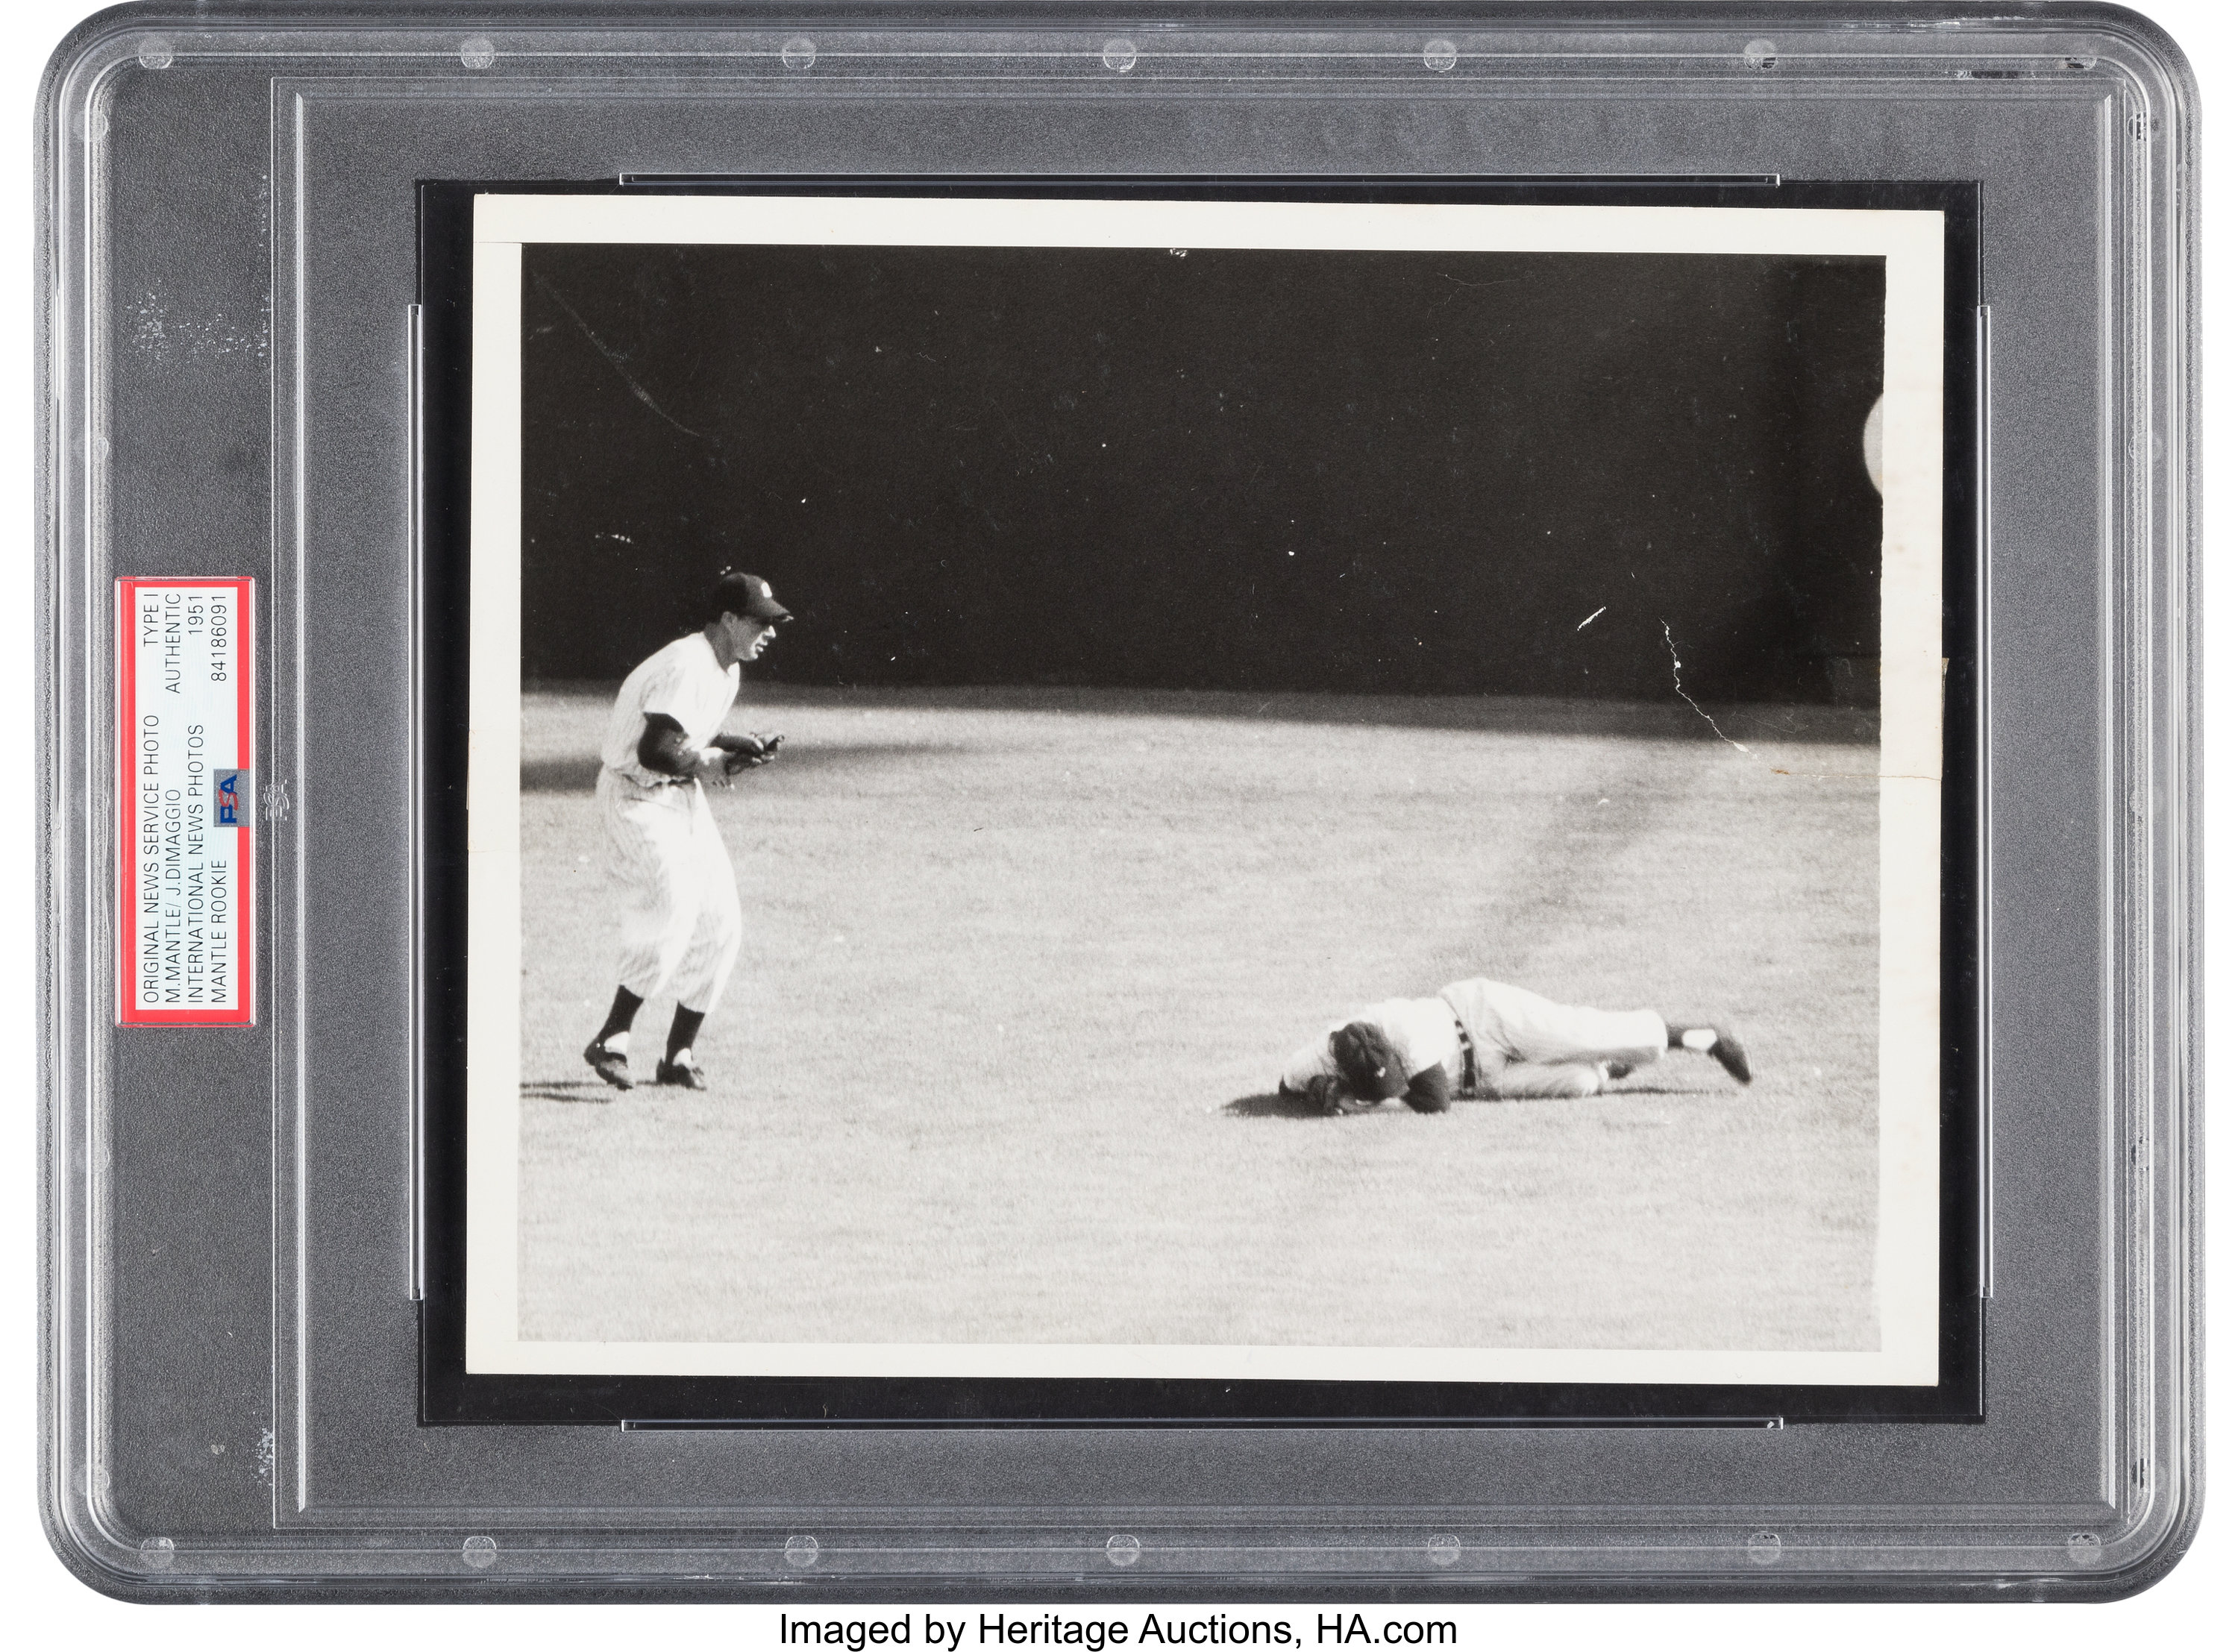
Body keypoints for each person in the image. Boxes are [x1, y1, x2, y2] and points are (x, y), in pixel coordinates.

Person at [580, 571, 791, 1091]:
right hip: (635, 797)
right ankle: (613, 1037)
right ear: (728, 620)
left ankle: (678, 1054)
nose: (770, 631)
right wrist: (711, 760)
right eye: (760, 621)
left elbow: (689, 732)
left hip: (677, 797)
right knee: (672, 905)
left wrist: (738, 745)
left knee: (722, 920)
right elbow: (655, 750)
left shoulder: (724, 668)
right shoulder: (687, 662)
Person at [1276, 976, 1751, 1116]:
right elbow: (1284, 1086)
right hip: (1483, 1079)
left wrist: (1358, 1108)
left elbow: (1434, 1100)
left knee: (1580, 1034)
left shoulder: (1401, 1029)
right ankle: (1611, 1068)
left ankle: (1700, 1037)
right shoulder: (1313, 1058)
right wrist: (1312, 1092)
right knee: (1581, 1081)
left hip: (1483, 1018)